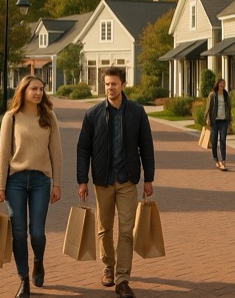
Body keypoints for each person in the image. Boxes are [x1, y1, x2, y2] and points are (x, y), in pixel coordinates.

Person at [77, 66, 155, 298]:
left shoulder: (137, 112)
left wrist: (148, 178)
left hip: (127, 180)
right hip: (102, 180)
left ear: (123, 85)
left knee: (126, 230)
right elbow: (83, 149)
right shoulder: (92, 114)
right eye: (107, 84)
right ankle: (108, 266)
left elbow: (146, 146)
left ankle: (122, 279)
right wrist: (82, 180)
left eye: (114, 84)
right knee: (104, 229)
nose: (110, 88)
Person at [0, 75, 62, 298]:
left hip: (41, 181)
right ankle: (23, 279)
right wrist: (0, 186)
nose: (39, 92)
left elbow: (56, 153)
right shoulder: (11, 117)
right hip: (16, 182)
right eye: (34, 88)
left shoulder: (49, 116)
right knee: (19, 233)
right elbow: (3, 153)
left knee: (37, 233)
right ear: (23, 91)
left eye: (41, 89)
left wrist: (57, 183)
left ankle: (38, 262)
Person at [205, 78, 233, 171]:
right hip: (214, 121)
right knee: (214, 141)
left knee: (223, 140)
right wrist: (208, 118)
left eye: (224, 83)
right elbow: (208, 107)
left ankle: (223, 161)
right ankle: (216, 159)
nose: (222, 85)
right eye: (221, 83)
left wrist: (230, 119)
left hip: (223, 121)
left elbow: (229, 107)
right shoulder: (212, 94)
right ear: (217, 84)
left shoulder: (226, 95)